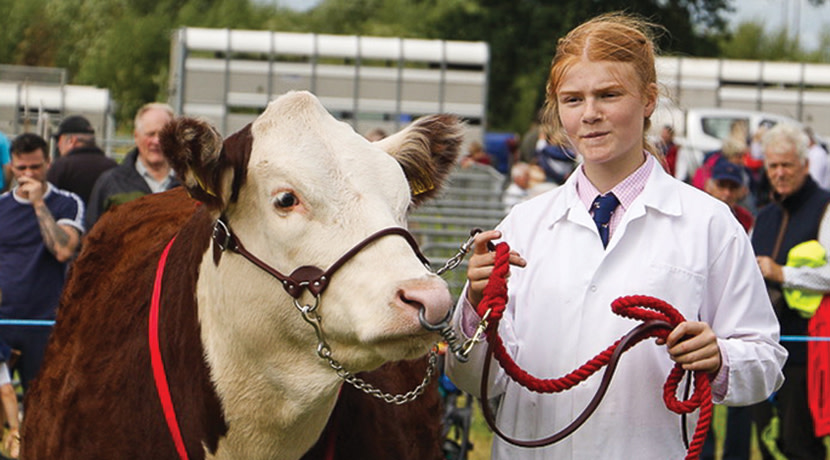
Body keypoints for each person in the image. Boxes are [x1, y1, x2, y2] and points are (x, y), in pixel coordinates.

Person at [444, 13, 786, 460]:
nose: (590, 114)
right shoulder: (522, 225)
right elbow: (475, 379)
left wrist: (719, 358)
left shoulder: (710, 223)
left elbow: (765, 363)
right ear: (556, 108)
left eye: (609, 95)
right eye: (573, 99)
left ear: (647, 100)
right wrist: (474, 308)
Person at [751, 122, 830, 460]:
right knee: (769, 442)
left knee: (800, 445)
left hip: (807, 350)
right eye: (773, 166)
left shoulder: (826, 208)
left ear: (805, 165)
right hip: (764, 346)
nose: (779, 173)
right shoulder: (764, 216)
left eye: (787, 165)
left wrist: (783, 273)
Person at [0, 133, 84, 392]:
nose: (28, 174)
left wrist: (38, 202)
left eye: (35, 167)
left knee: (43, 400)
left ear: (49, 162)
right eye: (21, 167)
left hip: (45, 323)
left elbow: (62, 250)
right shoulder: (2, 206)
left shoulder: (67, 203)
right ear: (11, 166)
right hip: (4, 320)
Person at [86, 102, 180, 228]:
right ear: (136, 136)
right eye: (150, 134)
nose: (157, 141)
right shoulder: (111, 183)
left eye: (163, 135)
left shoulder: (192, 186)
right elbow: (92, 236)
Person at [46, 115, 117, 205]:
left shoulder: (62, 166)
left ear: (72, 140)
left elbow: (48, 200)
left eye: (58, 140)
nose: (57, 145)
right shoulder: (112, 166)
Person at [705, 157, 754, 232]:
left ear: (741, 191)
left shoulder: (746, 219)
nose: (727, 193)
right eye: (721, 185)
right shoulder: (699, 213)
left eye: (733, 187)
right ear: (708, 186)